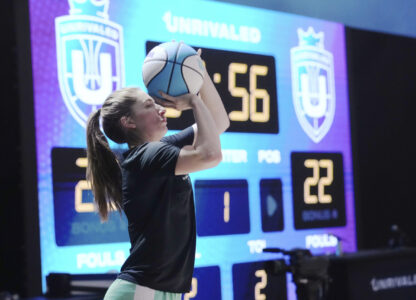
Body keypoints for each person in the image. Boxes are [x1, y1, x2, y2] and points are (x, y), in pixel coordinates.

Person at [85, 56, 229, 300]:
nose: (161, 109)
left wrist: (199, 74)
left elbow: (219, 123)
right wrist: (194, 101)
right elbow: (211, 155)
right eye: (149, 105)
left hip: (158, 291)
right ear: (128, 122)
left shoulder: (155, 151)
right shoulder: (149, 154)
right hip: (141, 293)